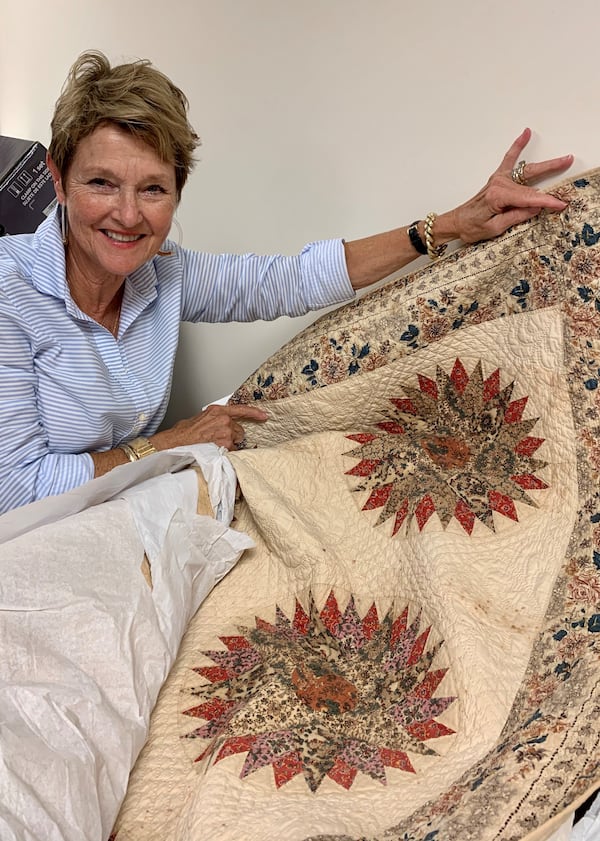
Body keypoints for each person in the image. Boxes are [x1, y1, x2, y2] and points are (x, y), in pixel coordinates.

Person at [0, 50, 574, 516]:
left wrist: (448, 226)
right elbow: (17, 489)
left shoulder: (163, 271)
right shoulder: (10, 291)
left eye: (152, 189)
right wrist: (164, 445)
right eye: (101, 182)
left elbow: (289, 279)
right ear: (57, 177)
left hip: (117, 511)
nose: (127, 215)